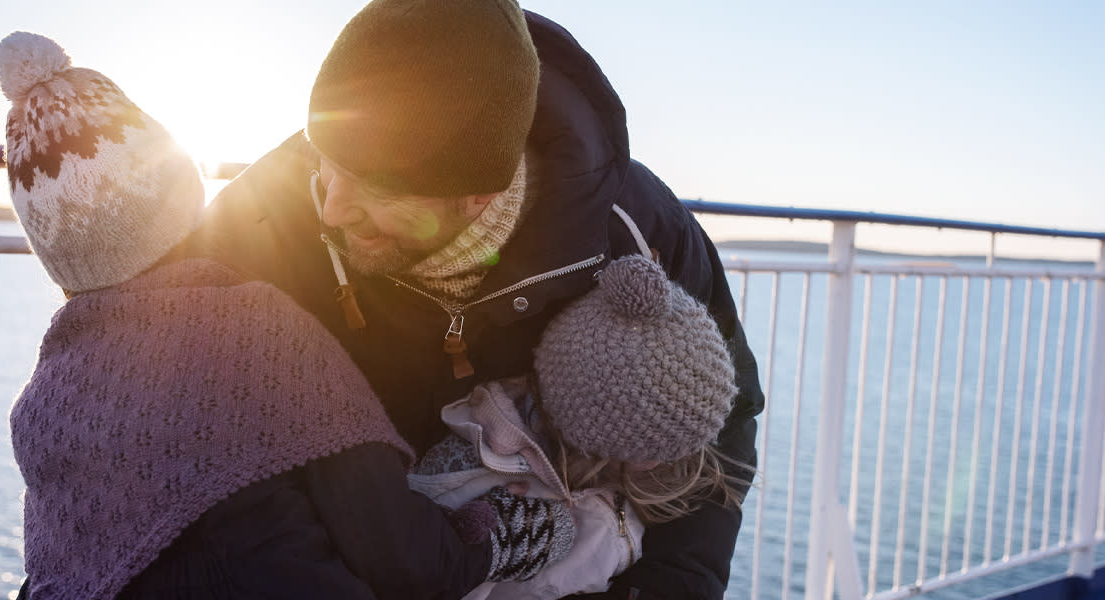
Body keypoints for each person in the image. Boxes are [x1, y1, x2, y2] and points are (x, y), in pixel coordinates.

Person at [193, 1, 766, 597]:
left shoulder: (632, 226)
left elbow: (718, 424)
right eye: (327, 164)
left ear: (480, 195)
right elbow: (196, 437)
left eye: (375, 188)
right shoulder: (255, 227)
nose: (331, 207)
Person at [0, 31, 575, 600]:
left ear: (56, 257)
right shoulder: (259, 331)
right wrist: (518, 532)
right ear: (180, 192)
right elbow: (408, 559)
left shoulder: (39, 408)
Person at [409, 254, 753, 599]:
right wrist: (492, 547)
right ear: (596, 431)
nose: (672, 460)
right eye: (656, 448)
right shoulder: (468, 475)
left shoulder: (640, 473)